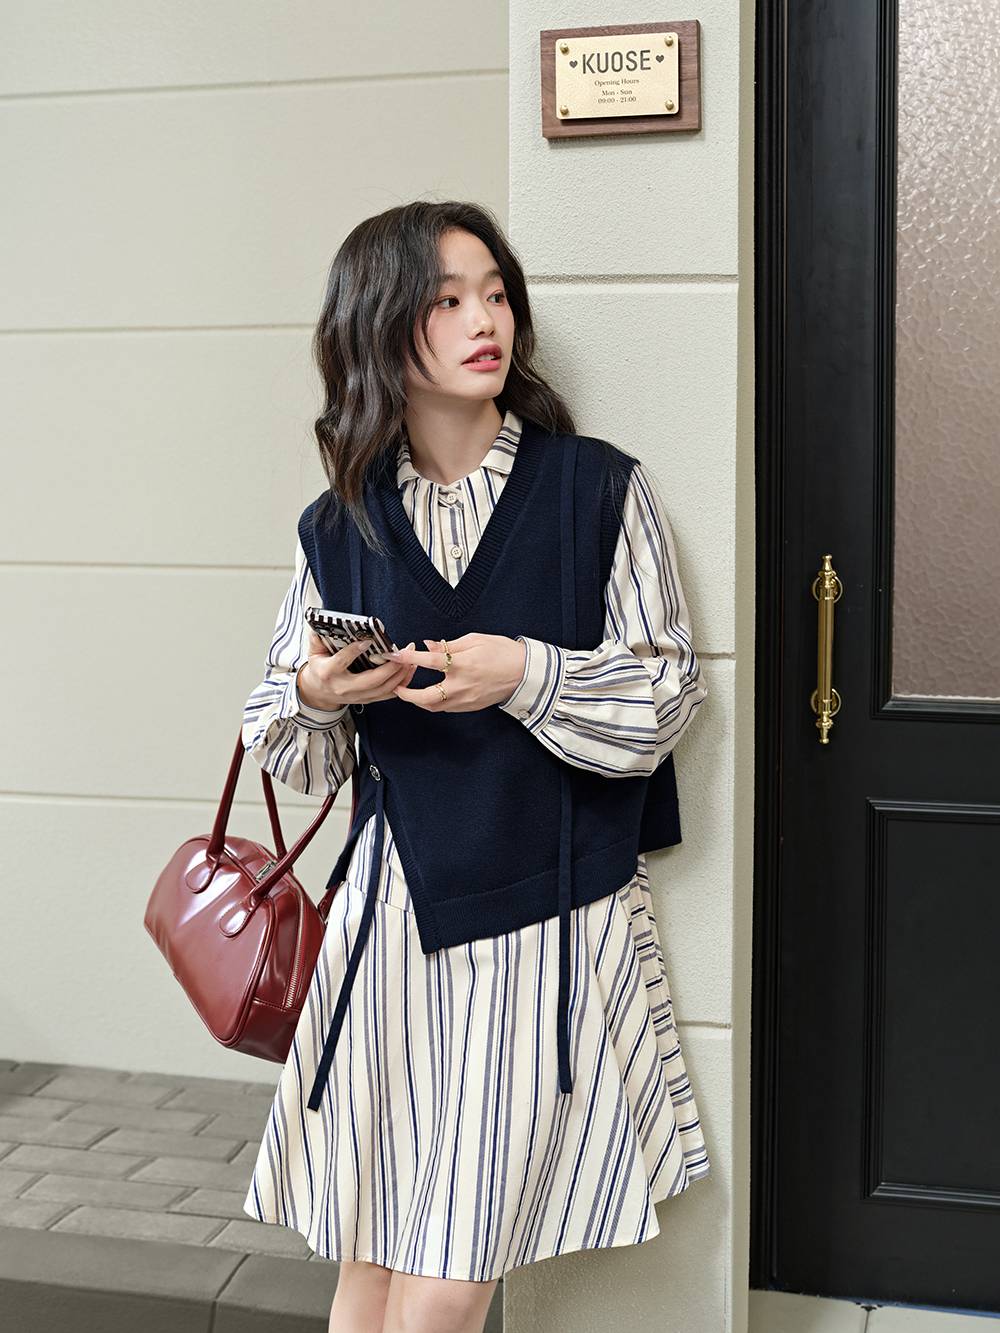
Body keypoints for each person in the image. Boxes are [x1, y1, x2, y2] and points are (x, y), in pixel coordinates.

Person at [240, 199, 711, 1333]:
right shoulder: (338, 523)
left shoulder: (596, 489)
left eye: (493, 292)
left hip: (545, 912)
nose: (481, 319)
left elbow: (666, 694)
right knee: (371, 1252)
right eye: (446, 299)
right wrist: (319, 693)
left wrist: (527, 675)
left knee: (445, 1278)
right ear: (381, 326)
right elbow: (280, 733)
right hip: (392, 916)